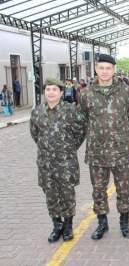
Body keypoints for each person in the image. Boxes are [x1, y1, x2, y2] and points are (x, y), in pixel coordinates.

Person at [79, 54, 129, 240]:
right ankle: (102, 223)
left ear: (114, 70)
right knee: (98, 189)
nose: (105, 71)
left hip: (121, 151)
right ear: (96, 69)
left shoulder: (126, 91)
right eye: (101, 68)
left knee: (124, 189)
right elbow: (83, 119)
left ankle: (124, 223)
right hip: (97, 153)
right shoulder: (86, 93)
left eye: (108, 68)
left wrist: (119, 134)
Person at [30, 78, 85, 243]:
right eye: (48, 89)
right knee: (51, 195)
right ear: (44, 92)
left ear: (61, 93)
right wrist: (47, 147)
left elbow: (81, 131)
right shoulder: (37, 111)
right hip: (46, 163)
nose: (51, 92)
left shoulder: (70, 110)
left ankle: (68, 226)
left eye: (55, 89)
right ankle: (56, 225)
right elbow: (35, 134)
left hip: (65, 162)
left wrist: (68, 147)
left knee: (67, 194)